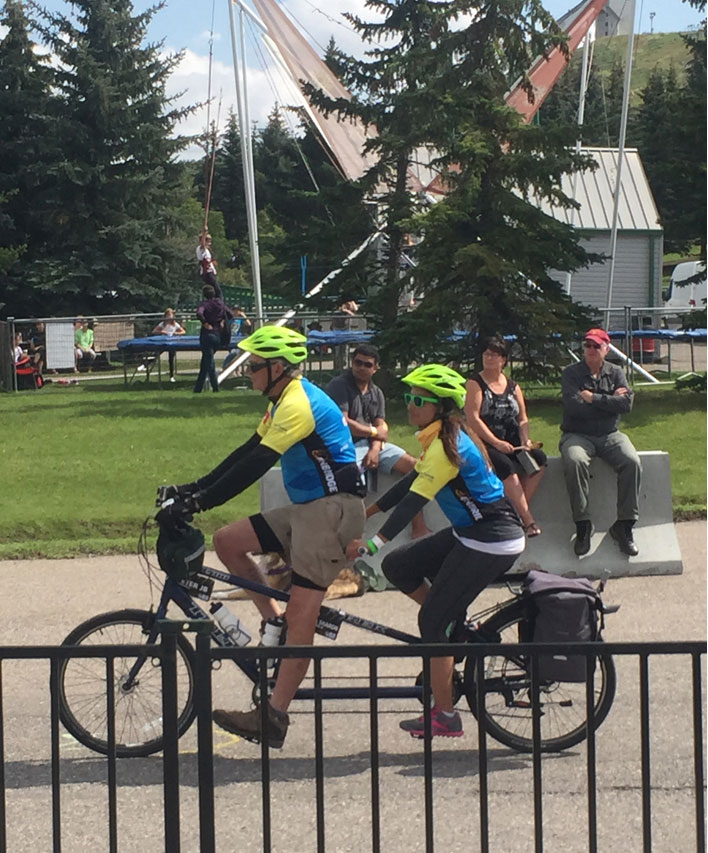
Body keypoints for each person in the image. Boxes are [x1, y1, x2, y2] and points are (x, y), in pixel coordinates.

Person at [162, 326, 366, 747]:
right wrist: (191, 490)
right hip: (307, 509)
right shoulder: (282, 400)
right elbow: (245, 451)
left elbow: (256, 464)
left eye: (254, 366)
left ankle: (273, 715)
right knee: (228, 541)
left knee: (302, 615)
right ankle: (274, 621)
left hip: (332, 511)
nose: (249, 372)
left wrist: (199, 503)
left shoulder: (298, 403)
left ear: (277, 368)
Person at [347, 364, 524, 739]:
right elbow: (407, 485)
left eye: (418, 400)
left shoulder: (447, 445)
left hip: (492, 540)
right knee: (399, 567)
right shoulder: (440, 437)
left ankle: (446, 715)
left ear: (440, 407)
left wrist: (371, 545)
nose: (409, 405)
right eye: (408, 398)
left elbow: (414, 502)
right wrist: (365, 513)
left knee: (431, 621)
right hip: (471, 534)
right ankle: (452, 627)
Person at [325, 344, 430, 539]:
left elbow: (381, 428)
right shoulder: (339, 385)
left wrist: (374, 449)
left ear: (375, 368)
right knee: (353, 481)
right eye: (358, 362)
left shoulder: (376, 392)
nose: (361, 368)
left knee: (415, 467)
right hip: (345, 446)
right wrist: (374, 432)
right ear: (351, 362)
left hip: (372, 445)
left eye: (367, 364)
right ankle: (351, 538)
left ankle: (419, 527)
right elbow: (344, 423)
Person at [560, 328, 641, 557]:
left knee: (632, 461)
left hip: (609, 434)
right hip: (577, 434)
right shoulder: (571, 374)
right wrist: (610, 401)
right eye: (588, 345)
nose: (591, 350)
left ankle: (624, 525)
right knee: (575, 460)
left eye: (596, 346)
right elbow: (574, 408)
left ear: (606, 349)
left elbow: (626, 405)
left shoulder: (616, 372)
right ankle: (583, 525)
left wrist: (593, 398)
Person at [465, 336, 547, 537]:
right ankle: (527, 520)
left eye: (494, 355)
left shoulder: (513, 386)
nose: (489, 358)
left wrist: (525, 439)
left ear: (503, 360)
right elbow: (473, 419)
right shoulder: (475, 384)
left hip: (512, 440)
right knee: (507, 468)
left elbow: (522, 418)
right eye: (486, 354)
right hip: (485, 442)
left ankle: (515, 511)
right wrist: (496, 442)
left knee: (539, 460)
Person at [193, 285, 232, 394]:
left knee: (209, 362)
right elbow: (230, 314)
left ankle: (215, 387)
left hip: (207, 335)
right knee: (206, 361)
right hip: (218, 334)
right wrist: (223, 320)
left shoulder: (204, 304)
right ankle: (197, 388)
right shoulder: (220, 303)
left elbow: (199, 313)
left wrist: (205, 322)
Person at [152, 308, 186, 383]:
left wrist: (177, 333)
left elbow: (183, 331)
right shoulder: (162, 324)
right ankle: (145, 364)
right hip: (164, 342)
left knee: (171, 359)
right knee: (156, 354)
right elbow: (154, 331)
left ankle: (171, 376)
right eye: (168, 315)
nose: (169, 317)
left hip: (172, 343)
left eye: (170, 315)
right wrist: (162, 331)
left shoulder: (175, 324)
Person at [196, 232, 223, 300]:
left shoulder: (206, 250)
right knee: (217, 290)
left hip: (209, 272)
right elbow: (203, 244)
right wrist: (204, 232)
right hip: (207, 272)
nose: (210, 243)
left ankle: (213, 302)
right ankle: (220, 303)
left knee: (212, 291)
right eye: (208, 241)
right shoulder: (201, 248)